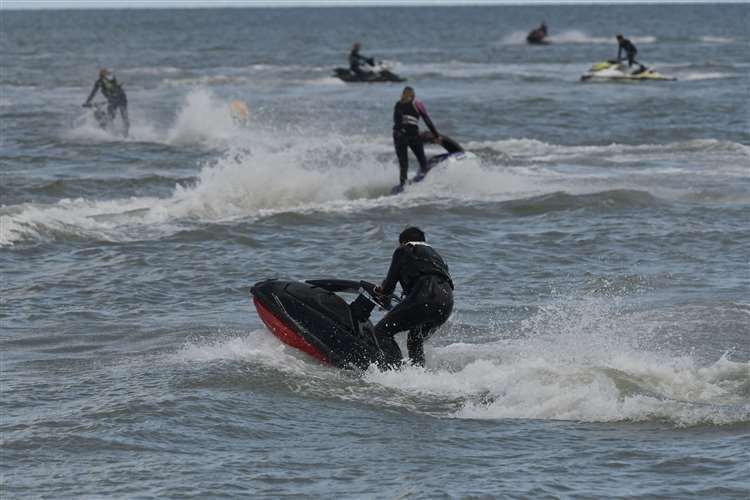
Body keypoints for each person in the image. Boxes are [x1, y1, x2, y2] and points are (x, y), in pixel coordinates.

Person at [373, 227, 454, 367]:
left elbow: (388, 287)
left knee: (381, 332)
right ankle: (417, 374)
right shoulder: (437, 257)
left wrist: (382, 294)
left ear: (403, 241)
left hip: (425, 297)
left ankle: (396, 371)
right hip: (446, 304)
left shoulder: (404, 249)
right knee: (415, 339)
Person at [392, 87, 441, 188]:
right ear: (413, 95)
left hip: (397, 135)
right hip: (412, 135)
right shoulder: (417, 103)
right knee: (422, 161)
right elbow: (427, 120)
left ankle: (403, 186)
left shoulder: (397, 104)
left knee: (403, 164)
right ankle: (426, 183)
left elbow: (396, 121)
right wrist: (437, 136)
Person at [83, 68, 129, 137]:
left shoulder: (100, 81)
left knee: (110, 118)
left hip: (115, 99)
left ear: (100, 75)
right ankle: (125, 134)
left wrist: (87, 102)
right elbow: (116, 87)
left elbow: (93, 93)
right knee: (124, 117)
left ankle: (113, 133)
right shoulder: (112, 79)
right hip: (122, 98)